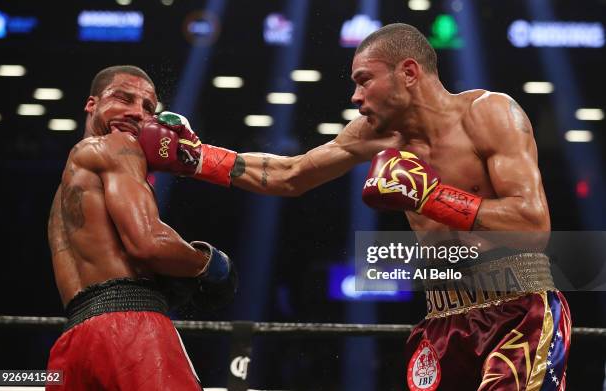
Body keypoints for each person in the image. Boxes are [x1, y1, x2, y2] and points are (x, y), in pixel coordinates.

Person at [139, 23, 570, 390]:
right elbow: (292, 174)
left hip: (518, 310)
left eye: (365, 79)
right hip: (443, 316)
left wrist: (430, 196)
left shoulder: (489, 113)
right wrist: (199, 159)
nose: (355, 96)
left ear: (408, 72)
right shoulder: (372, 133)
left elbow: (532, 225)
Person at [46, 65, 236, 391]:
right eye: (124, 98)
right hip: (133, 333)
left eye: (148, 107)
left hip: (72, 343)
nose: (137, 113)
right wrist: (210, 264)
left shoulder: (63, 195)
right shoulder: (119, 146)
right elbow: (147, 242)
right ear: (92, 104)